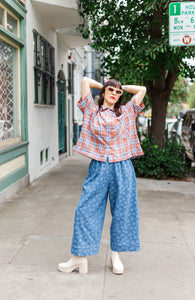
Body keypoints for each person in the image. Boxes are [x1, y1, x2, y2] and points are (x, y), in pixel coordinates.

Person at [58, 76, 146, 275]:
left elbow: (141, 89)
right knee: (84, 210)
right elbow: (84, 81)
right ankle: (79, 258)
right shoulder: (91, 110)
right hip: (98, 166)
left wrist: (120, 86)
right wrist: (105, 85)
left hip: (122, 167)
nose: (114, 94)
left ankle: (115, 256)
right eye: (110, 91)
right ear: (104, 92)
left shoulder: (127, 112)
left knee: (122, 212)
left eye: (118, 92)